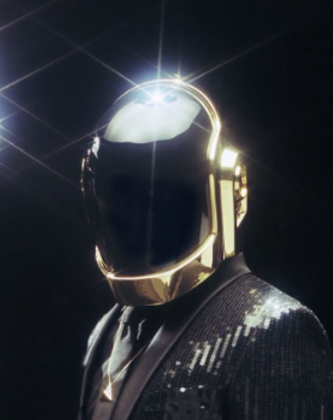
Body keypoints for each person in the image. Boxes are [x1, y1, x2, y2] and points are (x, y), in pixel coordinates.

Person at [77, 79, 333, 419]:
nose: (131, 216)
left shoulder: (277, 328)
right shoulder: (107, 329)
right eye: (122, 197)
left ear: (227, 189)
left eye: (159, 196)